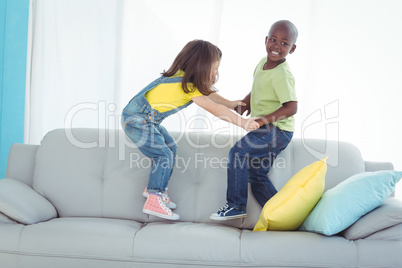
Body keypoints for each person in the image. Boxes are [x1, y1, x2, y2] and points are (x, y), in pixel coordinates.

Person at [121, 40, 260, 221]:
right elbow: (214, 108)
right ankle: (154, 196)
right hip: (137, 120)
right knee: (163, 155)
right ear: (201, 66)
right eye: (215, 68)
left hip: (147, 120)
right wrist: (244, 123)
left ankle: (156, 190)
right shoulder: (185, 86)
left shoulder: (186, 80)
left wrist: (231, 104)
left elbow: (209, 94)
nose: (217, 72)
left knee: (171, 148)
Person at [210, 20, 298, 220]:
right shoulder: (262, 63)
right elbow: (258, 86)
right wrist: (246, 102)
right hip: (267, 128)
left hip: (278, 130)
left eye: (284, 43)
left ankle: (236, 205)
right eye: (273, 40)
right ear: (266, 40)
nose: (276, 46)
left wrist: (261, 121)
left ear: (292, 49)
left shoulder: (283, 75)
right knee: (256, 175)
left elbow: (291, 107)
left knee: (238, 152)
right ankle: (283, 216)